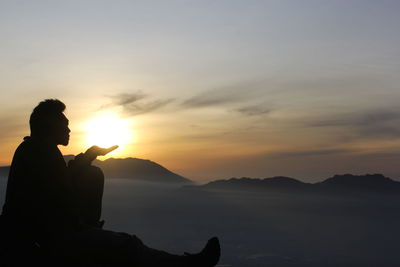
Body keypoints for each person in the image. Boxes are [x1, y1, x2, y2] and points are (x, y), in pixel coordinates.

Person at [0, 99, 220, 266]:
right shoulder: (39, 153)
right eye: (65, 124)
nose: (69, 130)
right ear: (50, 126)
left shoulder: (39, 150)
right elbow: (55, 203)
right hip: (40, 241)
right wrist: (85, 230)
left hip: (45, 234)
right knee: (126, 245)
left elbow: (64, 181)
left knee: (92, 173)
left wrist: (90, 154)